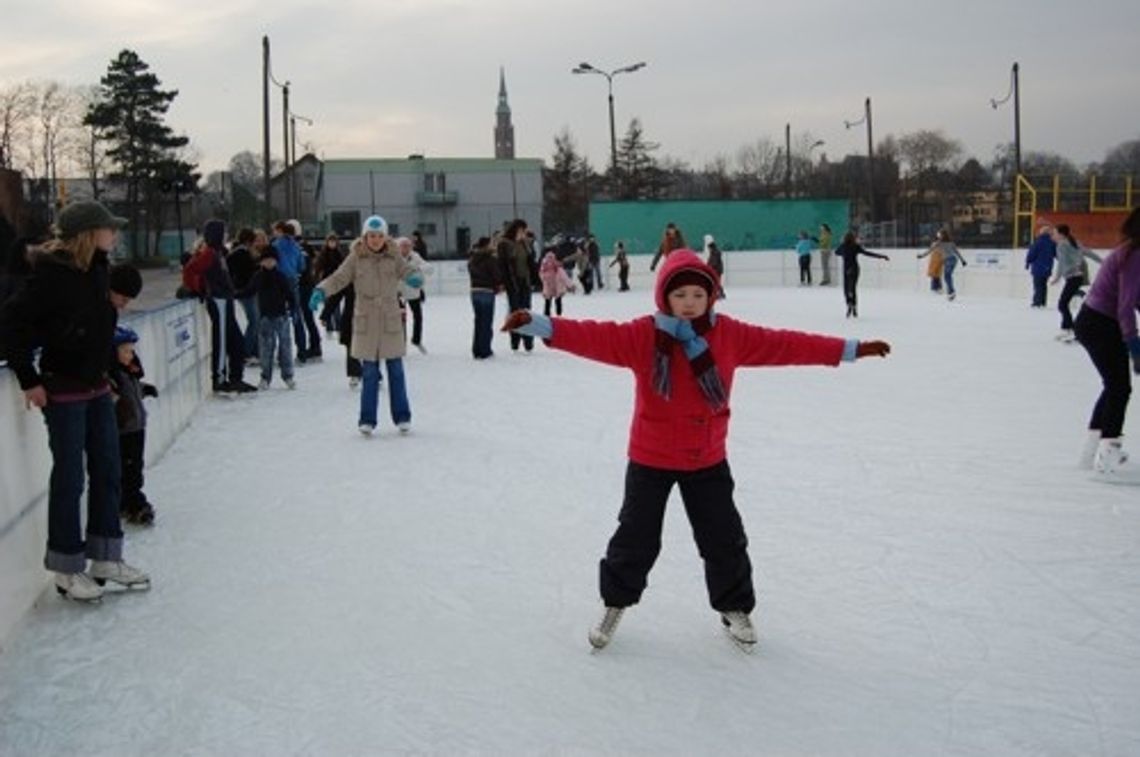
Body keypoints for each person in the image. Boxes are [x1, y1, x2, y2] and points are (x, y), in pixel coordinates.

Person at [500, 250, 891, 649]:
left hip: (706, 458)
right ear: (664, 297)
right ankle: (615, 602)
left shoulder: (730, 335)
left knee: (723, 537)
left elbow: (786, 344)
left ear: (711, 297)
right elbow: (594, 335)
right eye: (680, 294)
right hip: (651, 457)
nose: (689, 303)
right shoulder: (645, 335)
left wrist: (850, 348)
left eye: (698, 295)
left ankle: (734, 608)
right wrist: (539, 324)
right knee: (635, 537)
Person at [0, 200, 150, 601]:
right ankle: (67, 567)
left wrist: (110, 373)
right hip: (62, 388)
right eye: (109, 228)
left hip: (97, 386)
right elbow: (11, 323)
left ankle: (105, 556)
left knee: (108, 468)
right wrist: (28, 378)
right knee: (70, 476)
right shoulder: (50, 278)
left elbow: (100, 327)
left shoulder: (98, 269)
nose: (115, 234)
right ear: (88, 232)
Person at [309, 215, 423, 435]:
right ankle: (367, 419)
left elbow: (408, 271)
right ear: (365, 236)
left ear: (385, 237)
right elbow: (338, 278)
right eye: (371, 236)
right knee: (369, 373)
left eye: (380, 236)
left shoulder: (394, 255)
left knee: (396, 370)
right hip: (366, 318)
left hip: (389, 317)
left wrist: (414, 277)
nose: (375, 240)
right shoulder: (356, 257)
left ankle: (402, 416)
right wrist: (321, 290)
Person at [1073, 207, 1140, 480]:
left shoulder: (1130, 251)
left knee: (1113, 385)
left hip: (1095, 321)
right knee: (1119, 388)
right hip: (1100, 322)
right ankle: (1108, 457)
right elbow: (1125, 306)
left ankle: (1092, 452)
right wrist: (1134, 346)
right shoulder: (1135, 255)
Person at [184, 219, 255, 393]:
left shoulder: (218, 253)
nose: (226, 236)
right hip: (218, 301)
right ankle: (219, 379)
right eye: (224, 232)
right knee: (222, 340)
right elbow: (190, 269)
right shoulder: (209, 253)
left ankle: (236, 377)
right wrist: (198, 289)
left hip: (226, 299)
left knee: (236, 341)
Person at [108, 326, 158, 525]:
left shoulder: (129, 372)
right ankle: (134, 503)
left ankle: (127, 502)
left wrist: (145, 389)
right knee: (127, 469)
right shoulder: (112, 376)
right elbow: (114, 399)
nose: (131, 355)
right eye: (126, 351)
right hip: (123, 430)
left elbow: (133, 391)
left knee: (135, 466)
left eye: (132, 350)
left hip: (136, 427)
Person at [236, 247, 295, 390]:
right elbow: (249, 290)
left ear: (276, 261)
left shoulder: (281, 277)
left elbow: (289, 294)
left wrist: (293, 308)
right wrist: (234, 293)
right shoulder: (258, 277)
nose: (269, 263)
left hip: (281, 316)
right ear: (261, 262)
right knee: (266, 349)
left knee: (285, 347)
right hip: (265, 317)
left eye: (271, 260)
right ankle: (265, 377)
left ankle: (288, 376)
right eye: (266, 260)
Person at [1051, 224, 1102, 342]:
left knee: (1062, 304)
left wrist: (1072, 268)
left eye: (1054, 233)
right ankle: (1070, 328)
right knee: (1064, 303)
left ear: (1061, 234)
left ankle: (1071, 329)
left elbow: (1068, 261)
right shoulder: (1072, 242)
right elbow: (1087, 253)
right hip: (1075, 277)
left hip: (1074, 277)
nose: (1053, 236)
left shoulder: (1062, 245)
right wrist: (1103, 262)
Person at [833, 231, 890, 318]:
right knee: (852, 288)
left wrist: (842, 245)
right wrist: (882, 256)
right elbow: (868, 253)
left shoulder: (843, 246)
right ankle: (854, 306)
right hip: (855, 269)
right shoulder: (856, 246)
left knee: (846, 289)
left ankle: (849, 303)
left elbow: (836, 252)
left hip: (846, 269)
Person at [497, 219, 534, 352]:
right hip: (513, 283)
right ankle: (515, 341)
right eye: (522, 230)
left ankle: (528, 342)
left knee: (527, 311)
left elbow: (531, 262)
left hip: (525, 281)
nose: (524, 233)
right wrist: (504, 283)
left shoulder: (525, 244)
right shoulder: (504, 244)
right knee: (515, 312)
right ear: (515, 230)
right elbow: (503, 265)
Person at [226, 228, 260, 361]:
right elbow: (247, 272)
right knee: (254, 321)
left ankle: (252, 350)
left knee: (254, 320)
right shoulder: (242, 254)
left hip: (243, 290)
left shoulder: (236, 253)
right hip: (245, 291)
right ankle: (245, 351)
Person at [397, 236, 432, 353]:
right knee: (400, 319)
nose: (406, 249)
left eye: (408, 246)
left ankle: (416, 340)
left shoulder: (415, 256)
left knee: (418, 316)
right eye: (403, 246)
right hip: (398, 292)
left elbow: (429, 268)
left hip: (413, 291)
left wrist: (417, 268)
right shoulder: (394, 257)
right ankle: (401, 343)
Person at [468, 236, 501, 360]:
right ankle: (485, 350)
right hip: (487, 291)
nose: (494, 246)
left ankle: (476, 349)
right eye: (492, 244)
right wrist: (497, 285)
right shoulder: (490, 259)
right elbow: (497, 276)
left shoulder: (472, 259)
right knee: (486, 322)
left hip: (474, 291)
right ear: (487, 245)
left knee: (478, 321)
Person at [921, 229, 967, 301]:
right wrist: (962, 261)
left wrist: (921, 256)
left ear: (942, 235)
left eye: (939, 234)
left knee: (947, 276)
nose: (938, 236)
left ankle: (951, 292)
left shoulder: (938, 243)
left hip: (948, 260)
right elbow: (957, 252)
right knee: (948, 276)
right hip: (954, 260)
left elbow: (929, 251)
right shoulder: (951, 243)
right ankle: (950, 293)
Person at [315, 233, 345, 337]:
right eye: (330, 242)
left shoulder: (339, 254)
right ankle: (329, 326)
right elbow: (318, 267)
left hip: (336, 282)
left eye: (334, 242)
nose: (332, 244)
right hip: (326, 282)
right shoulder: (323, 254)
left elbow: (343, 267)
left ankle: (338, 326)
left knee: (335, 304)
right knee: (328, 304)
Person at [1025, 224, 1056, 308]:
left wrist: (1028, 262)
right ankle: (1042, 301)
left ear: (1041, 233)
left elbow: (1032, 254)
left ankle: (1037, 302)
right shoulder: (1052, 243)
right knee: (1044, 285)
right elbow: (1056, 254)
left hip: (1038, 267)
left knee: (1038, 285)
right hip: (1047, 267)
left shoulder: (1037, 242)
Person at [539, 249, 574, 316]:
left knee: (548, 302)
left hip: (549, 287)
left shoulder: (545, 268)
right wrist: (570, 286)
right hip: (555, 287)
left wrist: (545, 279)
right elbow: (565, 278)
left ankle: (548, 315)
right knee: (556, 301)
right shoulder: (557, 268)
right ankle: (558, 315)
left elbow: (541, 276)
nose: (550, 262)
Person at [704, 234, 726, 298]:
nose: (709, 249)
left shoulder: (715, 252)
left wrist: (709, 266)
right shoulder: (714, 252)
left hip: (716, 270)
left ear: (711, 247)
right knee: (716, 282)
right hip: (717, 270)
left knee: (716, 282)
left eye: (709, 248)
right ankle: (720, 293)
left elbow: (713, 262)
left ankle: (720, 293)